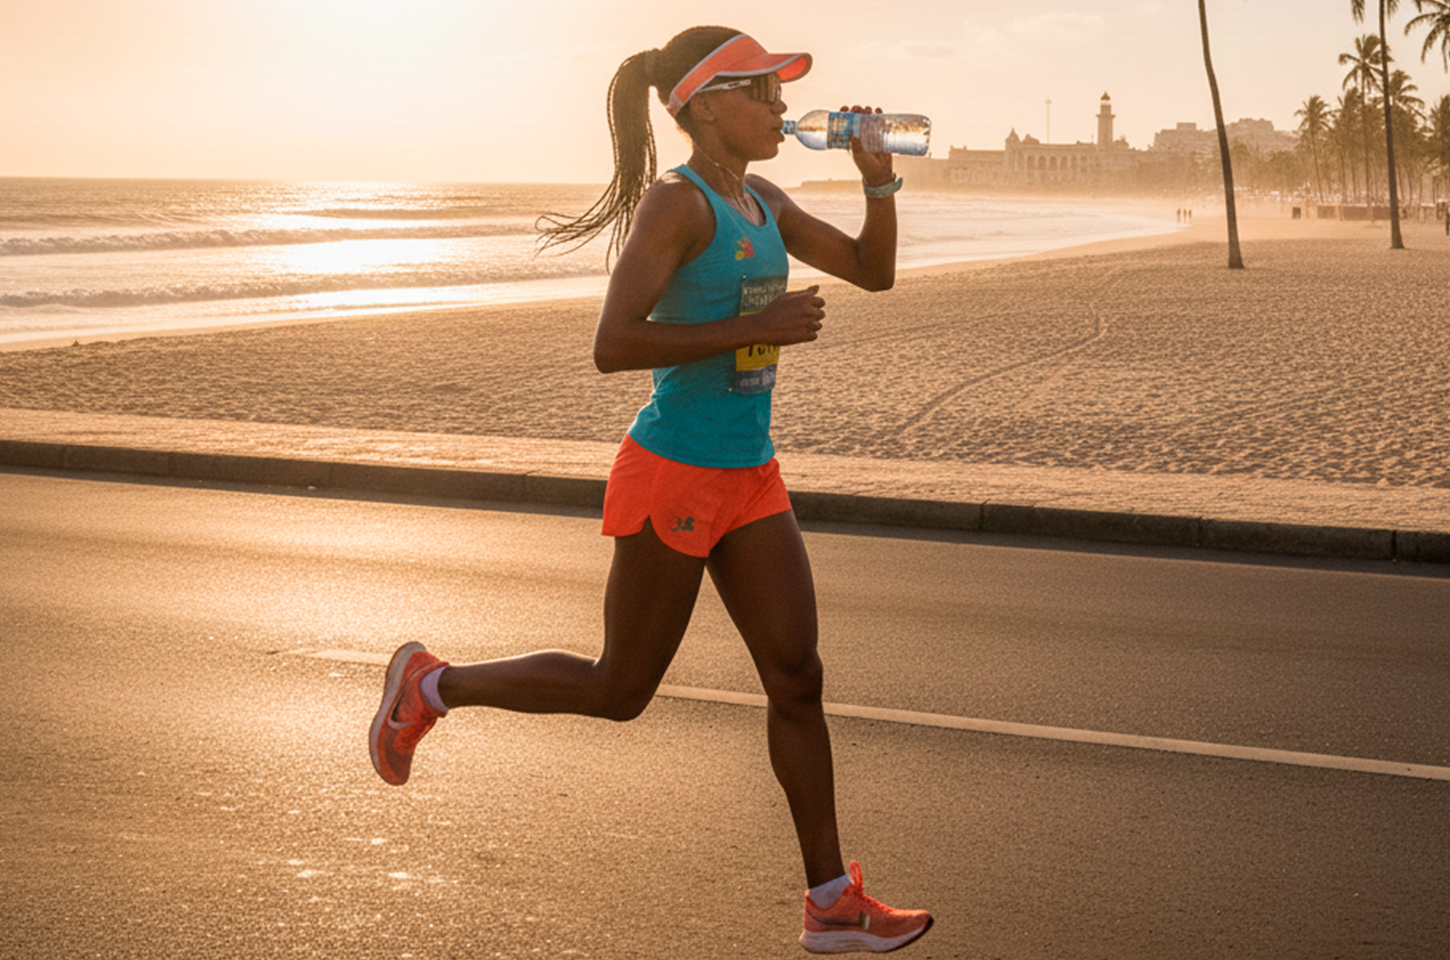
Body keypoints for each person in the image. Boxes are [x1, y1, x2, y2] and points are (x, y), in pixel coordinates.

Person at [369, 25, 932, 954]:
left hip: (750, 475)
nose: (782, 107)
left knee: (797, 678)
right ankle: (431, 685)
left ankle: (830, 900)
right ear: (705, 105)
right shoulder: (679, 206)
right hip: (673, 468)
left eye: (782, 92)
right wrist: (769, 324)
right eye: (763, 90)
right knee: (620, 688)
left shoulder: (763, 199)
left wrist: (878, 177)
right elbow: (613, 345)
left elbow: (875, 272)